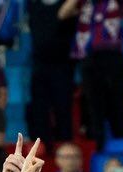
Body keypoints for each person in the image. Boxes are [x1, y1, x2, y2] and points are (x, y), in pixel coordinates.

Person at [61, 0, 123, 146]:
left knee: (118, 106)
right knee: (93, 109)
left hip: (113, 55)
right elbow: (63, 14)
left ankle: (122, 147)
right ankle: (97, 150)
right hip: (88, 57)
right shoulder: (84, 3)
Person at [26, 0, 78, 146]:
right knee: (39, 108)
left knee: (63, 107)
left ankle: (65, 146)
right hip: (39, 63)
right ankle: (42, 146)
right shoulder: (33, 4)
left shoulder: (69, 5)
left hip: (63, 65)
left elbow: (64, 14)